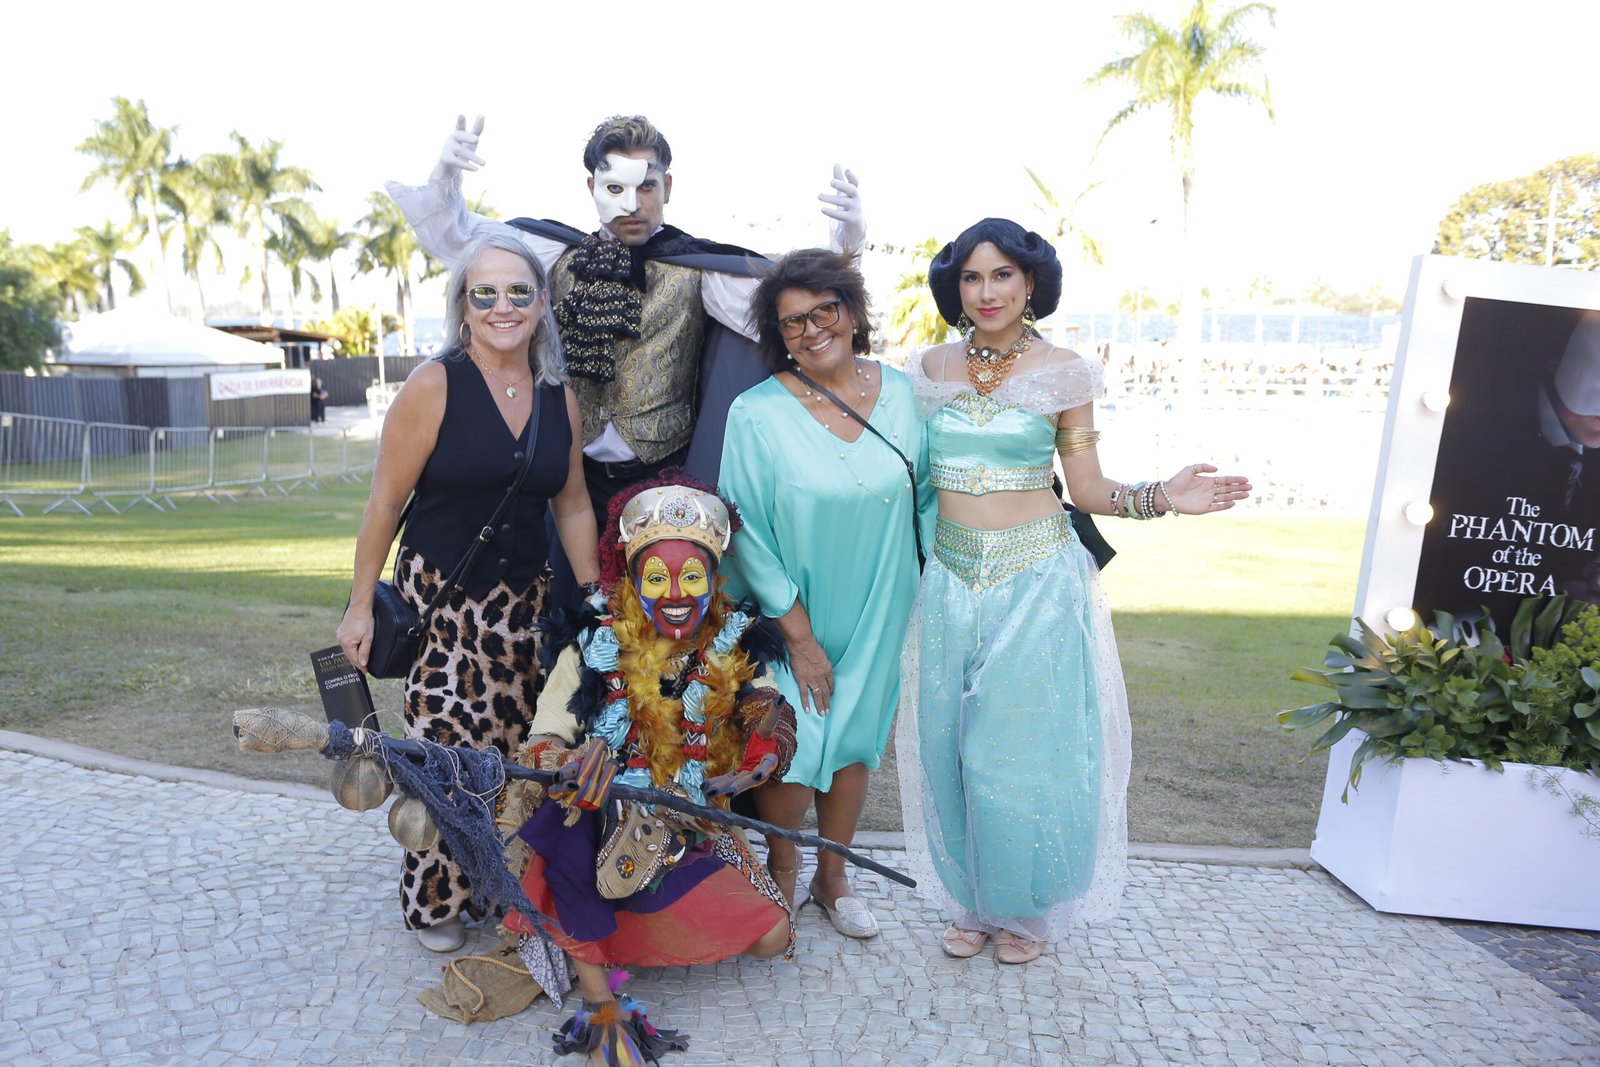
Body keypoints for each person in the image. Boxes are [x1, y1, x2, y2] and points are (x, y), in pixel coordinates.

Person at [899, 218, 1251, 964]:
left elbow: (1087, 487)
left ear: (1030, 282)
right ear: (954, 287)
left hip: (1037, 580)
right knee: (948, 745)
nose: (987, 291)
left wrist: (1163, 496)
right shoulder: (926, 369)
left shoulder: (1065, 373)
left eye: (1002, 274)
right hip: (951, 579)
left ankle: (1022, 908)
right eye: (972, 276)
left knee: (1018, 750)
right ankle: (973, 900)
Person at [336, 228, 599, 953]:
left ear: (541, 304)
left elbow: (573, 503)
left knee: (516, 751)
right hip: (441, 607)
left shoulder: (558, 396)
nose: (502, 306)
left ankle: (501, 886)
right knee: (446, 755)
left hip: (525, 613)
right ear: (462, 306)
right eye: (484, 293)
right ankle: (435, 900)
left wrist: (594, 595)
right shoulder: (434, 384)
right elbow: (384, 503)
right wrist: (359, 606)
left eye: (518, 292)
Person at [386, 114, 862, 503]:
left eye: (647, 186)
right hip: (565, 479)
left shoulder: (699, 269)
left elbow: (793, 305)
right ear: (591, 186)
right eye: (615, 188)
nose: (633, 204)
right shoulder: (551, 253)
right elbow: (459, 240)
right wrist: (444, 178)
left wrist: (846, 244)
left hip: (667, 479)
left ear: (667, 186)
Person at [502, 478, 798, 1065]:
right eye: (658, 578)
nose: (676, 594)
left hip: (690, 827)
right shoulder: (594, 643)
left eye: (692, 578)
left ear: (713, 580)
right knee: (573, 817)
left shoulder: (735, 643)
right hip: (601, 821)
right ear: (634, 580)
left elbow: (767, 715)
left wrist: (761, 756)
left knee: (773, 938)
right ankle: (600, 1004)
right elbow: (542, 740)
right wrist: (571, 763)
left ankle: (605, 936)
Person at [718, 249, 934, 939]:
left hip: (881, 597)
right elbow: (745, 529)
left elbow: (931, 494)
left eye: (825, 311)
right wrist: (800, 636)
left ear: (852, 311)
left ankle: (832, 877)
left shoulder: (904, 392)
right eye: (793, 322)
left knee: (855, 738)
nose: (813, 330)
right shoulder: (755, 413)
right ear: (777, 335)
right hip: (788, 608)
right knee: (793, 734)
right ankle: (780, 869)